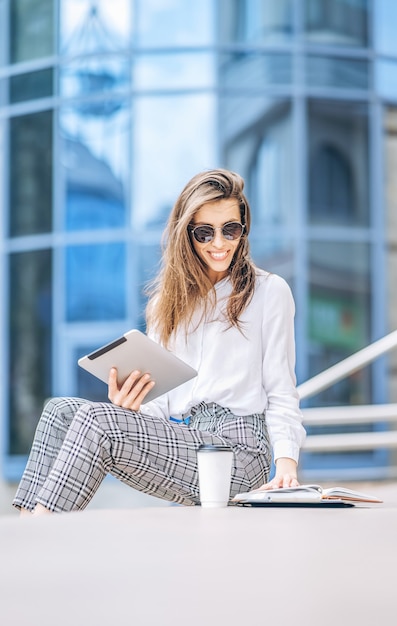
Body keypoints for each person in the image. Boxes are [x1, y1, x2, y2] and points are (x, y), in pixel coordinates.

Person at [13, 168, 305, 516]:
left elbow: (281, 389)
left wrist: (286, 466)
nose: (219, 243)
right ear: (186, 235)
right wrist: (130, 406)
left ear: (244, 229)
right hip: (184, 443)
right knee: (59, 411)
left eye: (231, 229)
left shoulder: (269, 292)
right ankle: (30, 521)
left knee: (95, 419)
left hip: (239, 455)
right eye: (204, 232)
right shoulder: (164, 306)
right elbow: (158, 408)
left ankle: (41, 533)